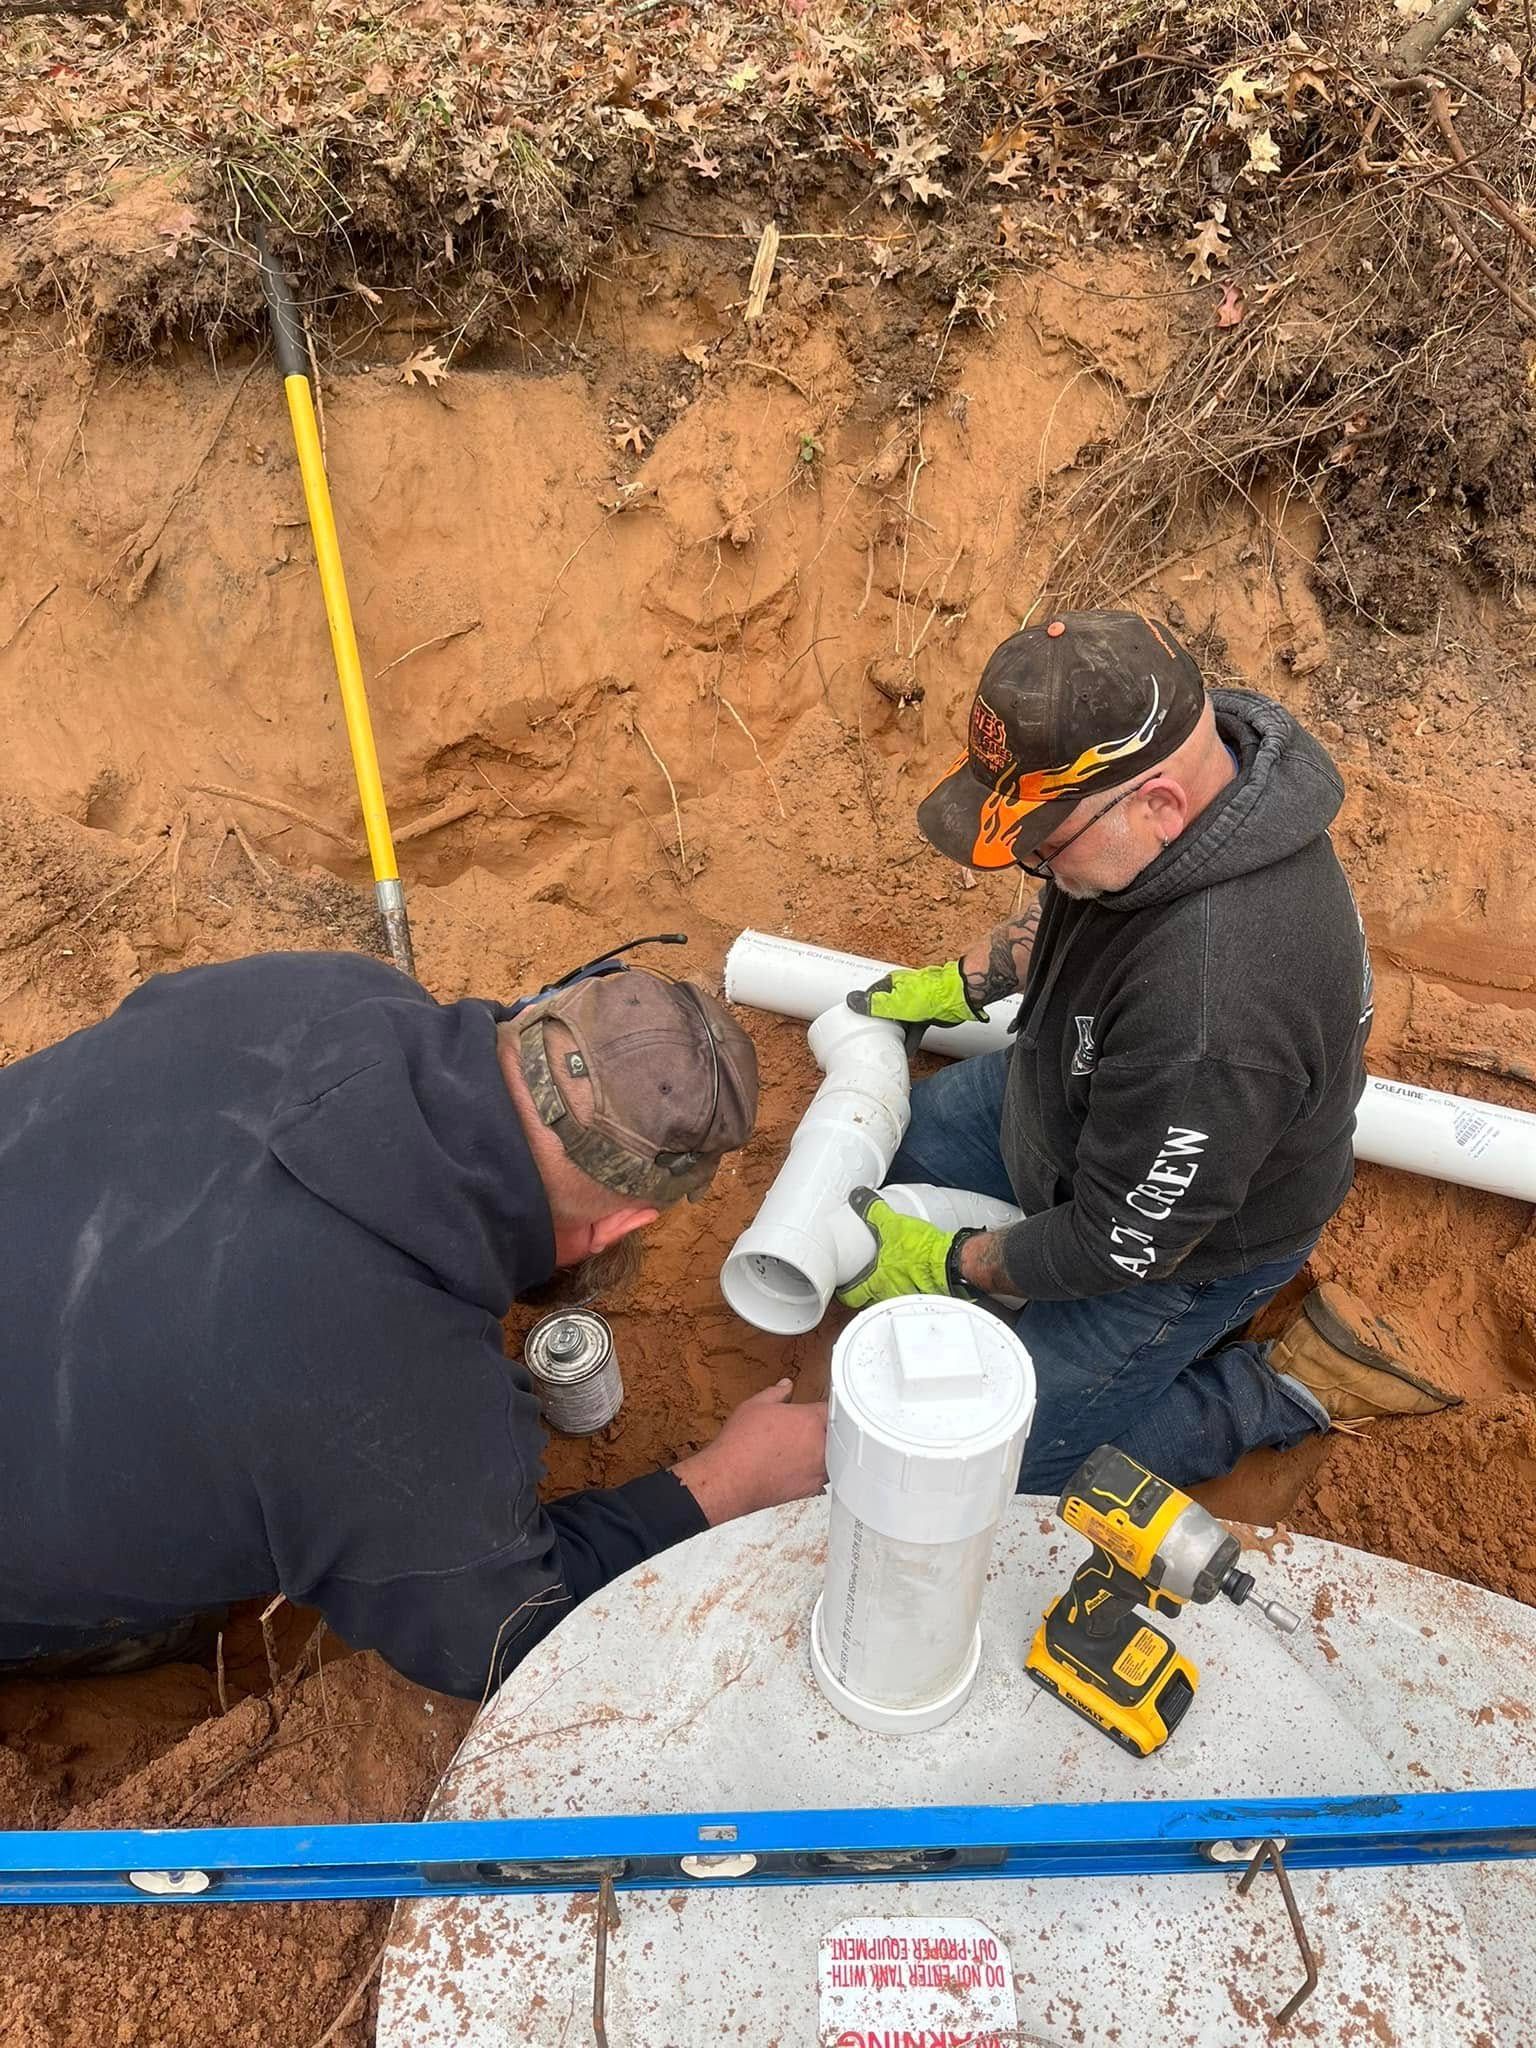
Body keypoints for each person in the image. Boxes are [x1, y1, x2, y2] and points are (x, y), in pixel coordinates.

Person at [0, 951, 826, 1697]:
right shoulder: (382, 1378)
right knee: (157, 1612)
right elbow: (501, 1635)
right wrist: (732, 1481)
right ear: (620, 1226)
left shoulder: (333, 988)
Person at [838, 610, 1457, 1494]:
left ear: (1160, 805)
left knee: (1007, 1468)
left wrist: (953, 1263)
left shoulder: (1214, 1012)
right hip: (1078, 1085)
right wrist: (972, 978)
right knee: (898, 1135)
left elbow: (1117, 1241)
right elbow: (1085, 895)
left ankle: (1272, 1387)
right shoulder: (1188, 792)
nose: (1036, 871)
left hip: (1179, 1249)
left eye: (1042, 851)